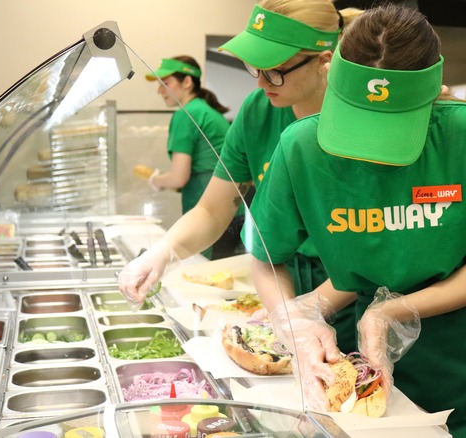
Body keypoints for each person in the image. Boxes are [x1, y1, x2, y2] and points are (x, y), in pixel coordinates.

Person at [247, 4, 466, 437]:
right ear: (333, 78)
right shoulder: (301, 148)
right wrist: (295, 321)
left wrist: (392, 312)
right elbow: (266, 258)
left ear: (432, 94)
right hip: (368, 373)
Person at [119, 0, 362, 353]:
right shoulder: (258, 111)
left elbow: (377, 243)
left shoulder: (361, 120)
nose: (262, 82)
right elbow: (212, 211)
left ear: (324, 61)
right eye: (254, 67)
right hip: (281, 281)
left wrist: (307, 309)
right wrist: (162, 252)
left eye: (275, 70)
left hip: (356, 293)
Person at [140, 56, 231, 259]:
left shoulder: (186, 114)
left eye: (166, 83)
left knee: (207, 278)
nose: (159, 90)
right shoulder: (207, 111)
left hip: (211, 211)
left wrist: (155, 179)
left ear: (187, 82)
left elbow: (179, 177)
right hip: (232, 211)